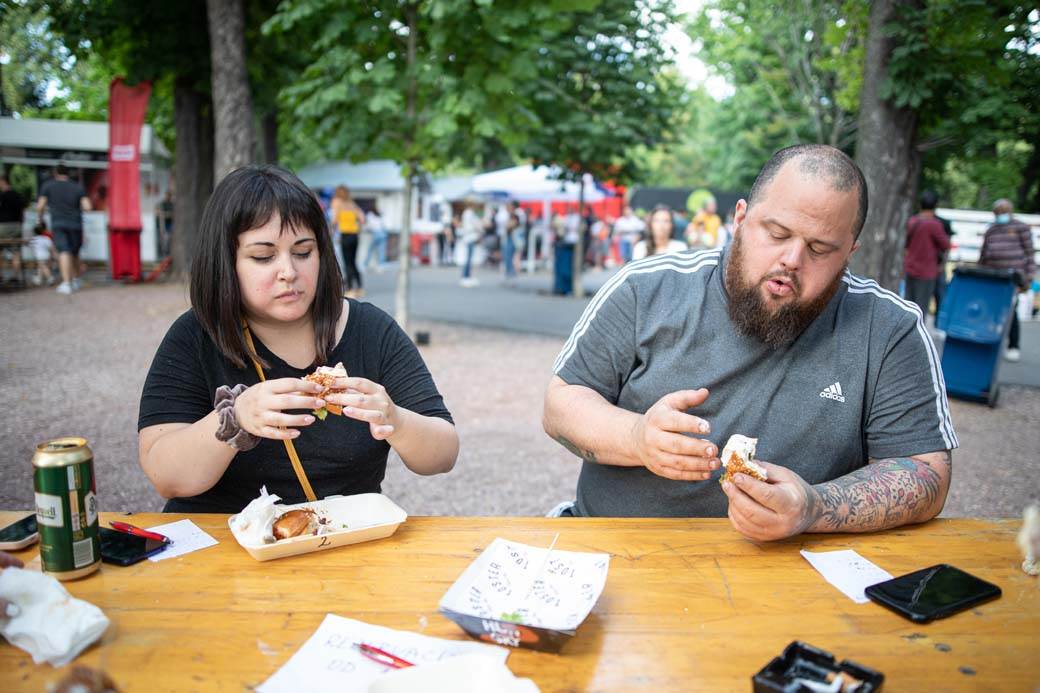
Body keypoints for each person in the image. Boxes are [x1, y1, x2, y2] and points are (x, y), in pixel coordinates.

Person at [543, 144, 956, 542]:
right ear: (740, 218)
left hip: (788, 569)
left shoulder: (889, 329)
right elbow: (561, 404)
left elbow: (926, 471)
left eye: (820, 249)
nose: (792, 260)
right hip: (615, 550)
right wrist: (636, 437)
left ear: (849, 251)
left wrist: (814, 507)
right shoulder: (647, 288)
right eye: (776, 233)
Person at [137, 165, 458, 513]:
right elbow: (165, 476)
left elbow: (443, 455)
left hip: (343, 537)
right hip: (221, 538)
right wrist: (236, 418)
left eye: (303, 252)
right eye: (263, 257)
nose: (289, 272)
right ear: (225, 262)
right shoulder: (195, 335)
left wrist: (395, 419)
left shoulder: (371, 329)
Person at [979, 199, 1035, 363]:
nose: (1001, 214)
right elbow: (983, 255)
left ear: (1010, 211)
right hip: (993, 277)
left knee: (1011, 310)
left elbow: (1029, 253)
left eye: (1004, 211)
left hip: (1013, 278)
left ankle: (1013, 345)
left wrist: (1029, 276)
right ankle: (990, 342)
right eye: (998, 211)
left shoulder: (1021, 227)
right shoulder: (991, 230)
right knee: (992, 310)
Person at [36, 164, 91, 295]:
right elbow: (87, 207)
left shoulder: (48, 186)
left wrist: (40, 219)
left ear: (55, 173)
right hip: (76, 224)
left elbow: (40, 206)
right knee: (75, 252)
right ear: (68, 173)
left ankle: (66, 284)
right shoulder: (77, 187)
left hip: (59, 223)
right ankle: (76, 280)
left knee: (64, 251)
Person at [902, 191, 951, 319]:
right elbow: (946, 245)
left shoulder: (912, 221)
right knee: (921, 307)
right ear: (936, 205)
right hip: (926, 271)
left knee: (908, 305)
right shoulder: (934, 224)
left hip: (910, 268)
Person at [330, 185, 365, 298]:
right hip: (354, 235)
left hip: (345, 235)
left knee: (347, 262)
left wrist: (331, 231)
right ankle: (359, 288)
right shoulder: (352, 204)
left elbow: (335, 220)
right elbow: (362, 219)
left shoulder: (337, 202)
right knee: (353, 262)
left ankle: (349, 289)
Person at [0, 175, 25, 283]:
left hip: (3, 226)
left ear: (3, 182)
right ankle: (15, 276)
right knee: (16, 252)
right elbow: (22, 213)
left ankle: (0, 275)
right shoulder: (18, 195)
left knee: (0, 251)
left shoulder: (2, 196)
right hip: (17, 225)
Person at [458, 200, 483, 287]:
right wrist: (479, 228)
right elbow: (471, 226)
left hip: (470, 237)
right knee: (469, 258)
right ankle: (466, 277)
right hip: (470, 237)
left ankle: (467, 276)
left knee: (469, 258)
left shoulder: (468, 213)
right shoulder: (469, 213)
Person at [361, 204, 387, 273]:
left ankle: (365, 265)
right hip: (383, 233)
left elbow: (367, 226)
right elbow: (383, 224)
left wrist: (365, 229)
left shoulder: (370, 215)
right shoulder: (379, 215)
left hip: (376, 233)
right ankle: (381, 266)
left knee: (370, 250)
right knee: (381, 251)